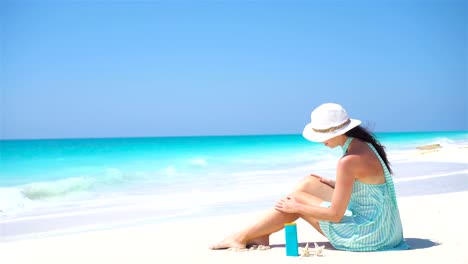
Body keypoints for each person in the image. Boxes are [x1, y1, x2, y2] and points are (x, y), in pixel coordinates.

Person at [210, 103, 409, 251]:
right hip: (387, 228)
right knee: (309, 183)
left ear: (336, 132)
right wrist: (335, 183)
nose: (320, 142)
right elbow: (369, 185)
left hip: (370, 235)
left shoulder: (348, 160)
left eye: (321, 136)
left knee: (296, 199)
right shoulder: (364, 144)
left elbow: (335, 215)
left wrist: (297, 209)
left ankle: (241, 237)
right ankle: (262, 234)